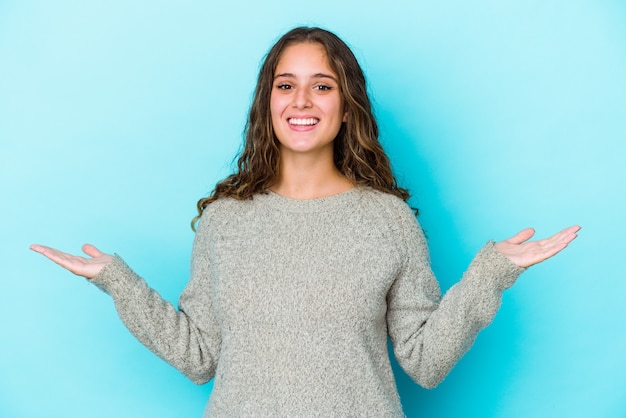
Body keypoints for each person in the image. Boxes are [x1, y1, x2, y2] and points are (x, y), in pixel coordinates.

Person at [30, 27, 580, 417]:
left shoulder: (387, 221)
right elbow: (199, 358)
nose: (302, 100)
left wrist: (491, 274)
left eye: (322, 85)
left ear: (346, 106)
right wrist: (116, 281)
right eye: (285, 84)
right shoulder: (225, 222)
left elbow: (425, 363)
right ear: (267, 102)